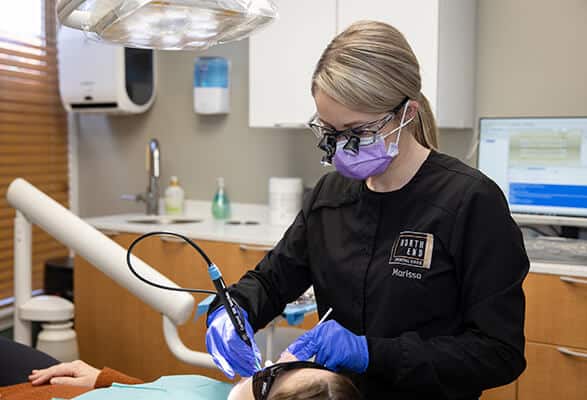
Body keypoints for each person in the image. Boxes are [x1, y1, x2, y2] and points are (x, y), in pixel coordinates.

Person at [205, 20, 530, 399]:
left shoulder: (471, 203)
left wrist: (370, 353)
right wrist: (233, 311)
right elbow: (272, 280)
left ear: (406, 114)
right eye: (330, 132)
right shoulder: (330, 195)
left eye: (357, 133)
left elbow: (499, 353)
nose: (341, 148)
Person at [0, 336, 360, 400]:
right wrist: (105, 380)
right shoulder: (227, 393)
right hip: (88, 385)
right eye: (290, 364)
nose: (270, 364)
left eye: (269, 379)